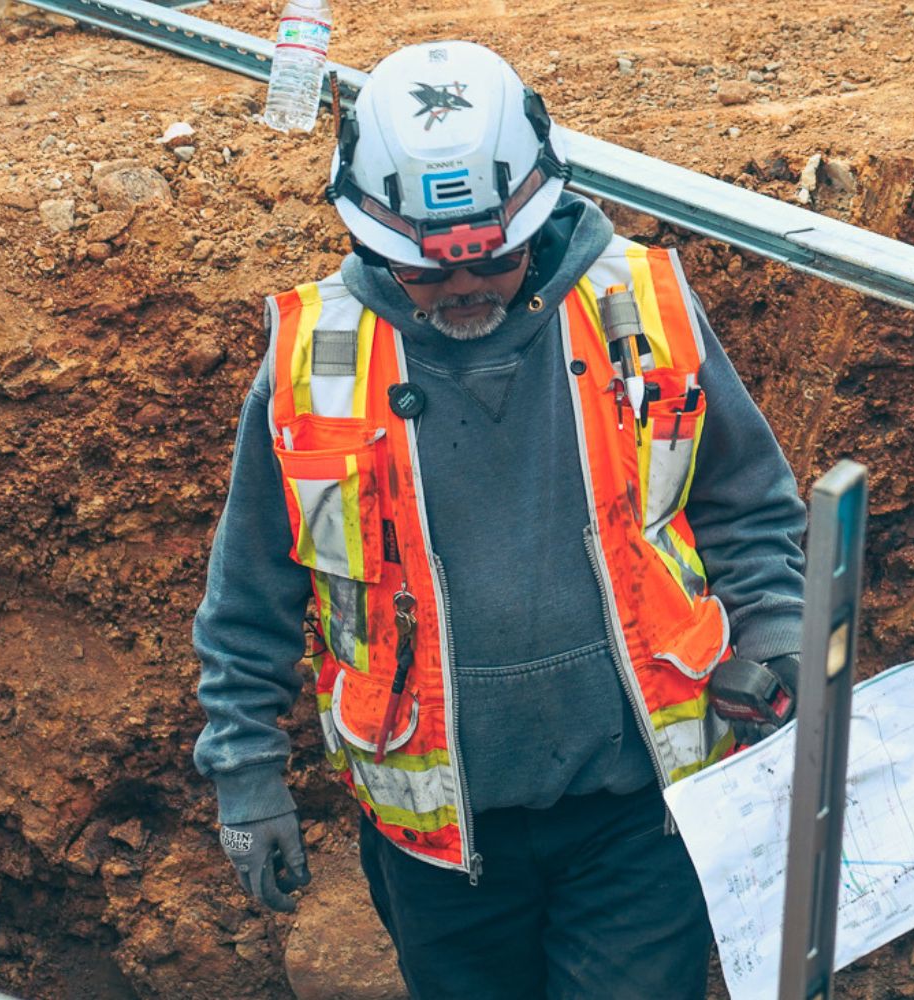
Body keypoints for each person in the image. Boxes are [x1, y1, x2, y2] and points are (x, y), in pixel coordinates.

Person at [188, 40, 808, 999]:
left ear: (538, 214)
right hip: (439, 842)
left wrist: (776, 635)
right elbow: (251, 593)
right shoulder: (314, 360)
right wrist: (245, 772)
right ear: (370, 239)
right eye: (428, 274)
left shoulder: (642, 305)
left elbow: (748, 502)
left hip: (639, 814)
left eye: (495, 261)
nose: (466, 289)